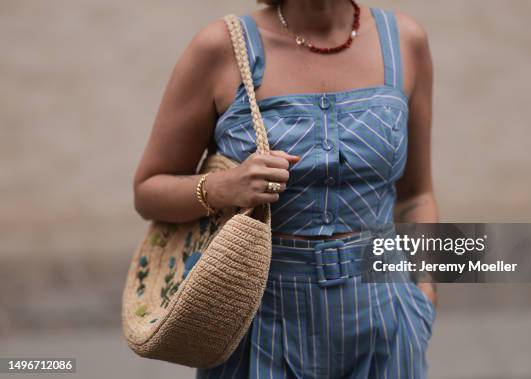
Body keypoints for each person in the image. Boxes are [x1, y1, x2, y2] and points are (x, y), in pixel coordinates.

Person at [133, 0, 438, 377]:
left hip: (387, 320)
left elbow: (417, 196)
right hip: (258, 320)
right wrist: (223, 186)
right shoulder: (221, 48)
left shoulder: (406, 41)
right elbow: (148, 191)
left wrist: (423, 296)